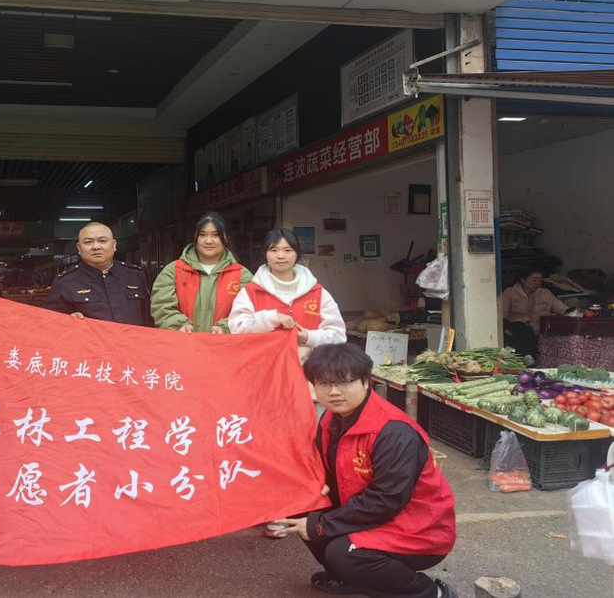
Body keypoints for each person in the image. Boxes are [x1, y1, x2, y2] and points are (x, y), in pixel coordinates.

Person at [274, 343, 458, 598]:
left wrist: (321, 525)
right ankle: (349, 578)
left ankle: (429, 592)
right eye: (324, 383)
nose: (334, 392)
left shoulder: (393, 432)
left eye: (344, 382)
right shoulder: (331, 417)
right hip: (371, 509)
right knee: (302, 499)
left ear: (365, 381)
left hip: (418, 527)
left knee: (342, 551)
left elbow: (386, 501)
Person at [228, 227, 346, 361]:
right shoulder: (250, 292)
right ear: (265, 254)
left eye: (288, 250)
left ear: (297, 254)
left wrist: (308, 337)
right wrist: (271, 318)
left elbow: (338, 335)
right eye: (274, 250)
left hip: (306, 368)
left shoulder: (317, 293)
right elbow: (236, 327)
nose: (281, 256)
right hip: (263, 367)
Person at [150, 212, 253, 333]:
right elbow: (162, 306)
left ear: (225, 237)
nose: (208, 241)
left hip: (225, 343)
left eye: (215, 235)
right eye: (203, 235)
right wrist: (179, 325)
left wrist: (225, 327)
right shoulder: (173, 271)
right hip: (183, 342)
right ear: (195, 237)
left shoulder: (242, 275)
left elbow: (251, 309)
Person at [43, 222, 152, 326]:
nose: (96, 247)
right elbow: (50, 323)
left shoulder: (135, 276)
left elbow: (149, 317)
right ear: (79, 248)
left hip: (132, 339)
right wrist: (66, 320)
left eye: (102, 241)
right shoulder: (65, 282)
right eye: (88, 242)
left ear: (114, 245)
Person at [501, 269, 567, 358]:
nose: (537, 283)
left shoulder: (545, 293)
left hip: (539, 332)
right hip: (516, 332)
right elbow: (502, 315)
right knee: (522, 330)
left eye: (540, 281)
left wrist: (574, 312)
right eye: (534, 280)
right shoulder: (510, 292)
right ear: (523, 280)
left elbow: (561, 308)